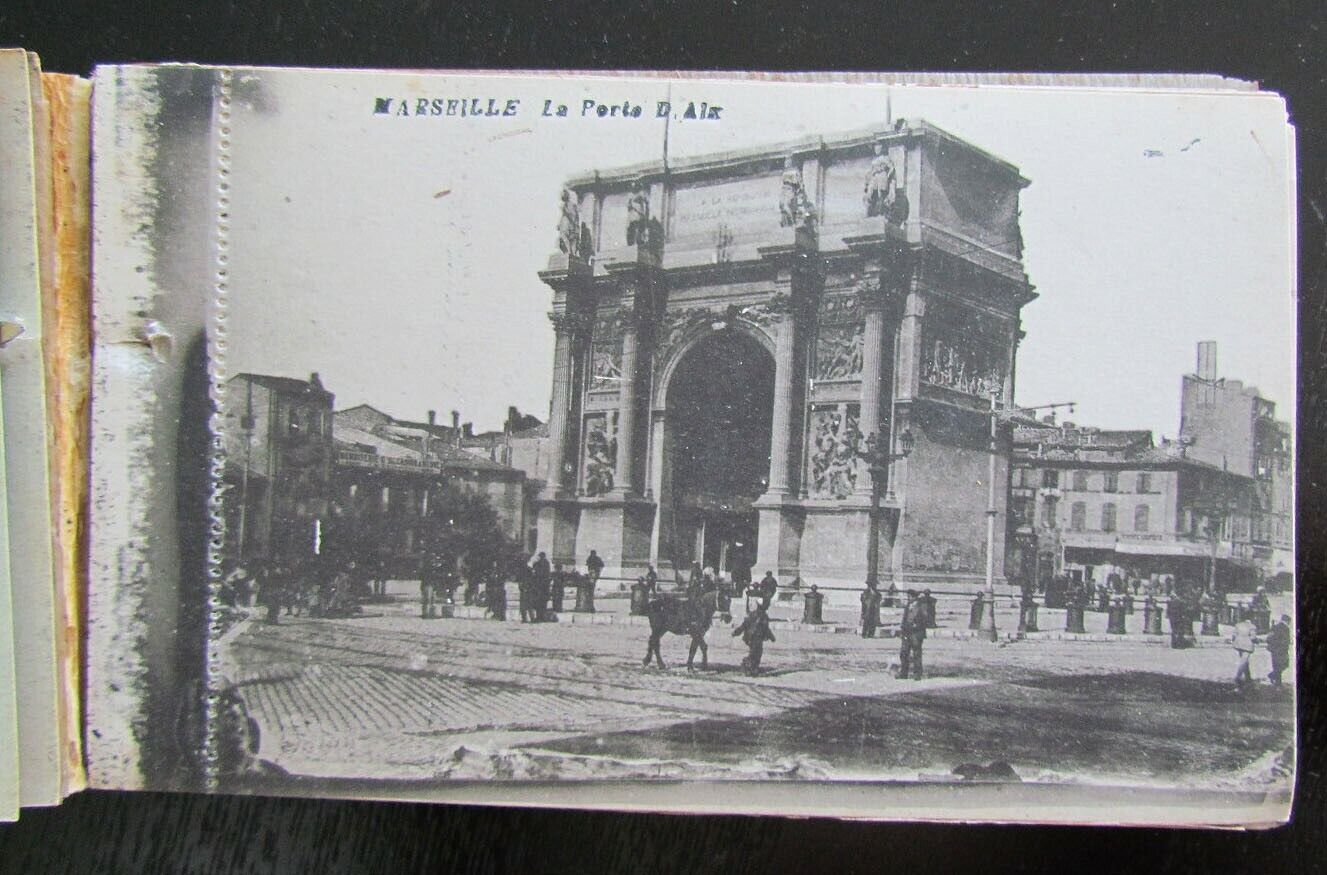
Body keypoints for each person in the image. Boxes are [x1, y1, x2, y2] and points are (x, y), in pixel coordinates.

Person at [732, 600, 775, 675]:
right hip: (756, 638)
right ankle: (748, 667)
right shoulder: (764, 616)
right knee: (756, 653)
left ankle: (752, 668)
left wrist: (736, 632)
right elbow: (766, 629)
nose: (767, 606)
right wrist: (772, 637)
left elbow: (743, 626)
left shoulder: (752, 614)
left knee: (755, 653)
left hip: (750, 637)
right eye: (766, 605)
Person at [898, 589, 926, 679]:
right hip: (906, 633)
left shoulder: (921, 606)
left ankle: (917, 674)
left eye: (909, 597)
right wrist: (902, 630)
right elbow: (904, 619)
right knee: (904, 653)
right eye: (908, 597)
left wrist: (917, 625)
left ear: (914, 597)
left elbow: (925, 619)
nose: (908, 598)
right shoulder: (908, 606)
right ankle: (903, 673)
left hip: (916, 634)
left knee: (916, 654)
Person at [1231, 618, 1259, 688]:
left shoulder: (1238, 625)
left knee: (1245, 661)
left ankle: (1248, 677)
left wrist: (1235, 641)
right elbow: (1253, 637)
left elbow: (1233, 635)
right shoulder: (1252, 626)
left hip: (1238, 644)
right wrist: (1257, 641)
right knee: (1243, 662)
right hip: (1247, 645)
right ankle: (1238, 676)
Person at [1266, 614, 1292, 686]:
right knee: (1283, 665)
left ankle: (1273, 677)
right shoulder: (1286, 628)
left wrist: (1272, 646)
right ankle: (1277, 682)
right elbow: (1286, 640)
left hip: (1274, 649)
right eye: (1289, 622)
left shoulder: (1274, 627)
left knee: (1277, 665)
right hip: (1282, 649)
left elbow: (1268, 638)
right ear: (1287, 621)